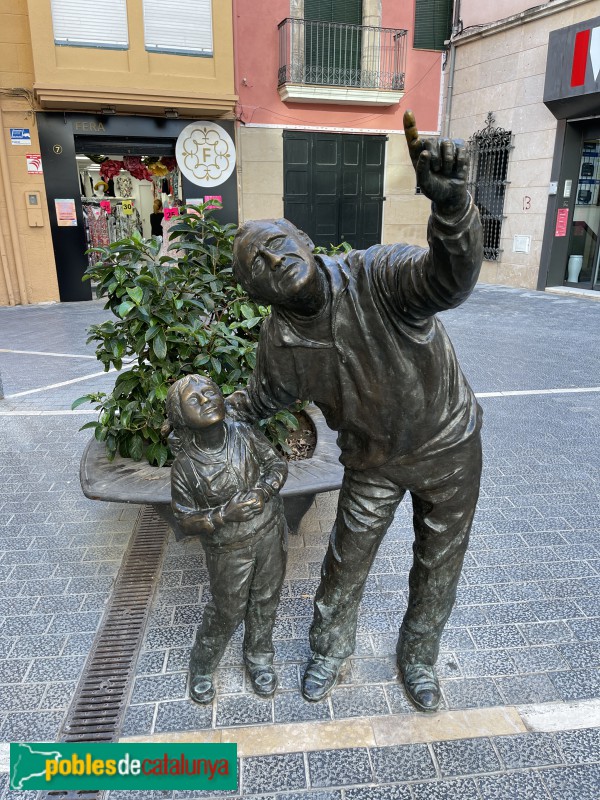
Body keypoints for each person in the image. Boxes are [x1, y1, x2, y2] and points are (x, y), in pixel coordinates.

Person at [226, 110, 484, 712]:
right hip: (372, 460)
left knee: (439, 562)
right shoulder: (280, 344)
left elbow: (449, 283)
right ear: (257, 293)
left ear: (305, 241)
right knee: (346, 560)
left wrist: (452, 212)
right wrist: (210, 415)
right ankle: (328, 650)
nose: (271, 260)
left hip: (449, 445)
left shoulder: (378, 275)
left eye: (276, 244)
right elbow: (264, 400)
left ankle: (418, 657)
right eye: (255, 265)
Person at [165, 374, 288, 704]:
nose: (206, 400)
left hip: (269, 534)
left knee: (265, 600)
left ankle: (259, 659)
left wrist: (264, 491)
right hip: (228, 550)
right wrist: (222, 516)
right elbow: (185, 520)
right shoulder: (186, 467)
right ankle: (202, 666)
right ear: (180, 416)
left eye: (209, 391)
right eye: (194, 400)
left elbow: (276, 464)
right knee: (227, 610)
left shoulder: (244, 433)